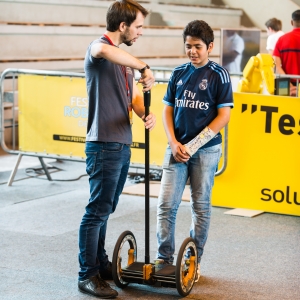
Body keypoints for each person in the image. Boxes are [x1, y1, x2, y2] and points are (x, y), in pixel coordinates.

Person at [78, 0, 156, 298]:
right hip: (103, 144)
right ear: (122, 26)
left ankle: (99, 264)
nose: (140, 32)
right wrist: (143, 66)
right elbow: (103, 50)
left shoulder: (124, 61)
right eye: (138, 26)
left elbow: (133, 97)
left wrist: (143, 112)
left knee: (106, 209)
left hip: (121, 143)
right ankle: (87, 274)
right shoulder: (100, 49)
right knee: (97, 211)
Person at [156, 20, 233, 282]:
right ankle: (163, 258)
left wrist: (194, 145)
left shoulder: (219, 75)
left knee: (200, 207)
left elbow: (224, 116)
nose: (192, 51)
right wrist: (173, 141)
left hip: (205, 151)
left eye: (198, 47)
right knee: (166, 205)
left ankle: (193, 259)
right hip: (175, 148)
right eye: (188, 46)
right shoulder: (178, 73)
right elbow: (167, 109)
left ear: (210, 46)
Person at [273, 10, 300, 96]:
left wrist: (287, 83)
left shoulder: (281, 40)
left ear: (291, 22)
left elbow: (276, 67)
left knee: (283, 108)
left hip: (284, 84)